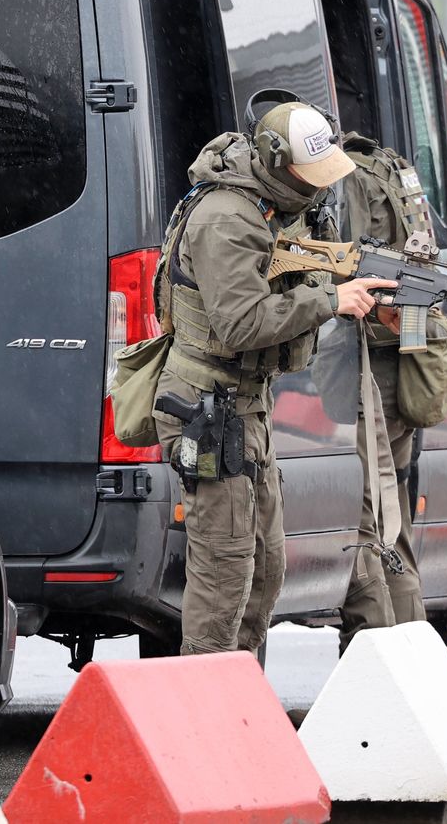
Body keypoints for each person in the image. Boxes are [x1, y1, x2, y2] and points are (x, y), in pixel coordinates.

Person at [151, 100, 397, 656]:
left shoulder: (279, 210)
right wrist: (331, 299)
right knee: (224, 573)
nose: (315, 191)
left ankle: (238, 703)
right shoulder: (226, 217)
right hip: (205, 409)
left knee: (264, 569)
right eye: (306, 179)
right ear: (274, 161)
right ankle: (204, 712)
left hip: (244, 408)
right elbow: (239, 324)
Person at [335, 131, 441, 654]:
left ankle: (375, 658)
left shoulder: (343, 177)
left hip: (364, 374)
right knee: (390, 518)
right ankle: (411, 655)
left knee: (369, 522)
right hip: (399, 371)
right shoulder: (392, 170)